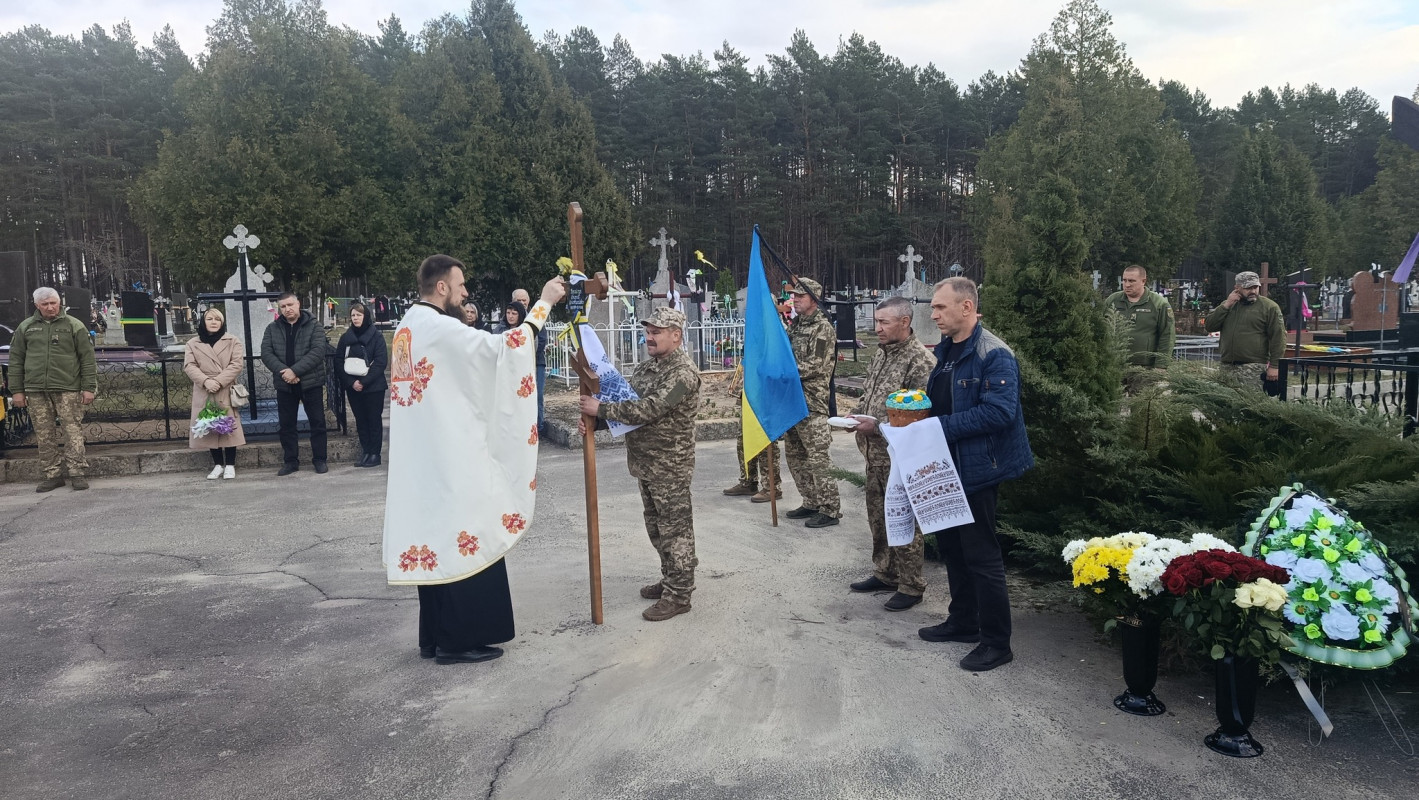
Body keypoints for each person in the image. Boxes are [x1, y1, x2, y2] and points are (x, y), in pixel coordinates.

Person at [384, 255, 567, 664]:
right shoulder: (439, 327)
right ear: (442, 287)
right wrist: (544, 303)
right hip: (451, 456)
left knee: (437, 538)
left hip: (425, 457)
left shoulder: (409, 325)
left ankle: (435, 637)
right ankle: (456, 642)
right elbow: (504, 350)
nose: (466, 292)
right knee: (466, 535)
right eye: (461, 284)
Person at [918, 277, 1033, 672]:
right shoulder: (947, 350)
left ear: (966, 307)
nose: (934, 315)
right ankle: (964, 621)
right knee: (952, 548)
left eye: (940, 307)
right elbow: (942, 402)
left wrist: (936, 427)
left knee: (982, 556)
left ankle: (997, 643)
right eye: (933, 308)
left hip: (979, 469)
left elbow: (999, 412)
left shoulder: (993, 353)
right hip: (947, 466)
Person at [579, 307, 702, 621]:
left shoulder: (684, 374)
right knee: (657, 528)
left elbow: (652, 408)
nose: (649, 337)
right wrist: (596, 423)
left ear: (676, 336)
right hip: (645, 462)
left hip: (670, 466)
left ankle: (680, 594)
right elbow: (629, 407)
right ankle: (670, 578)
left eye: (656, 332)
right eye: (648, 331)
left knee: (675, 531)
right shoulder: (646, 369)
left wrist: (601, 409)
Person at [846, 297, 936, 611]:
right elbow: (870, 394)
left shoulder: (919, 360)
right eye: (877, 321)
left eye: (884, 322)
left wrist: (877, 426)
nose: (878, 328)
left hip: (899, 455)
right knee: (878, 517)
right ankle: (886, 572)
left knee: (903, 519)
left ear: (904, 322)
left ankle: (911, 585)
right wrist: (857, 415)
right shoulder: (882, 353)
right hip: (874, 453)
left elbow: (917, 414)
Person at [8, 287, 97, 492]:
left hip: (68, 388)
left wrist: (88, 388)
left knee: (72, 431)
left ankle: (77, 472)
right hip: (36, 390)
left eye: (53, 303)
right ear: (36, 306)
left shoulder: (74, 326)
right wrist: (17, 391)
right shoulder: (26, 327)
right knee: (44, 434)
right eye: (45, 304)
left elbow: (87, 359)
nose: (50, 307)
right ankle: (52, 474)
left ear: (59, 303)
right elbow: (16, 360)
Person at [781, 278, 841, 528]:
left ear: (814, 300)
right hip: (792, 401)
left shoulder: (822, 328)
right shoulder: (795, 326)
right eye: (793, 295)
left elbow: (815, 365)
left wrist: (782, 372)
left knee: (817, 457)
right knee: (795, 455)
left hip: (812, 402)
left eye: (800, 296)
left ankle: (830, 508)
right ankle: (811, 501)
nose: (794, 299)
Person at [260, 292, 330, 475]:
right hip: (285, 384)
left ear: (298, 304)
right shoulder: (272, 328)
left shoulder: (314, 325)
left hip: (310, 382)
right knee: (287, 425)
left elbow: (317, 351)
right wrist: (285, 372)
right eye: (283, 306)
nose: (287, 309)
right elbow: (266, 353)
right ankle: (290, 461)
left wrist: (295, 371)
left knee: (317, 422)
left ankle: (320, 459)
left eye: (290, 305)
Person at [183, 308, 246, 479]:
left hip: (224, 387)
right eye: (209, 319)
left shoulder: (232, 340)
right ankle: (218, 464)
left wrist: (218, 381)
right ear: (203, 322)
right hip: (204, 389)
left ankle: (230, 465)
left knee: (228, 426)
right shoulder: (193, 343)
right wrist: (206, 381)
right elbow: (189, 365)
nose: (213, 322)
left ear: (222, 322)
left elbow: (236, 364)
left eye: (217, 319)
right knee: (209, 425)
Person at [1204, 270, 1285, 390]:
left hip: (1254, 368)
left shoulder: (1269, 307)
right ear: (1237, 288)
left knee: (1249, 401)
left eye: (1255, 287)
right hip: (1227, 367)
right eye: (1248, 288)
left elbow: (1278, 337)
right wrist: (1226, 305)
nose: (1253, 291)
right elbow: (1210, 326)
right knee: (1225, 400)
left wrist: (1275, 366)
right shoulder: (1228, 305)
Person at [334, 302, 389, 467]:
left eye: (359, 315)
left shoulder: (376, 336)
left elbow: (380, 362)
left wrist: (364, 382)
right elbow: (338, 361)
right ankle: (366, 452)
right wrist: (352, 383)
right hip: (353, 387)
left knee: (373, 420)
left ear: (366, 316)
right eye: (353, 315)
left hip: (373, 387)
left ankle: (375, 454)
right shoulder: (346, 338)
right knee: (361, 420)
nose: (355, 318)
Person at [1106, 265, 1175, 368]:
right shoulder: (1113, 300)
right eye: (1124, 280)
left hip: (1145, 368)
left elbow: (1167, 335)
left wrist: (1161, 365)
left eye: (1131, 281)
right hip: (1113, 365)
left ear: (1143, 281)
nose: (1127, 285)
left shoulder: (1158, 304)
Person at [512, 288, 548, 431]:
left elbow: (542, 339)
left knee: (537, 395)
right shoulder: (510, 317)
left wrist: (529, 355)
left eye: (524, 300)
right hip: (516, 364)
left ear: (528, 301)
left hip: (536, 362)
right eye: (518, 300)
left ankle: (539, 426)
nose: (522, 303)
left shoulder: (536, 317)